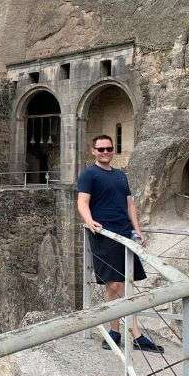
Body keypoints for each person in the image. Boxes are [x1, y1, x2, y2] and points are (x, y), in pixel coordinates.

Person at [77, 134, 164, 353]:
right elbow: (82, 202)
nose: (105, 152)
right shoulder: (89, 174)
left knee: (127, 283)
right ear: (93, 151)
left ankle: (131, 335)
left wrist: (137, 229)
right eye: (101, 149)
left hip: (125, 233)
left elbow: (130, 204)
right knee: (114, 284)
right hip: (104, 234)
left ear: (113, 150)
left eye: (108, 149)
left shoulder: (120, 176)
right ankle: (117, 332)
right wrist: (89, 221)